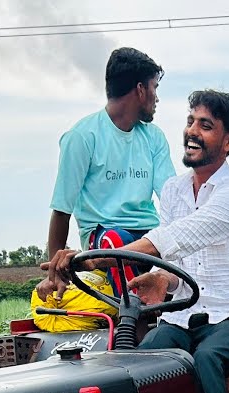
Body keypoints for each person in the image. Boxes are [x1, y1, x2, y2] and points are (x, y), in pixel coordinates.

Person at [41, 90, 229, 393]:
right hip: (182, 313)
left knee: (207, 360)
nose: (191, 132)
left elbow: (181, 237)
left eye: (205, 125)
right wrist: (157, 278)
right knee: (141, 361)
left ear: (228, 142)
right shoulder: (176, 191)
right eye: (191, 121)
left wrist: (106, 255)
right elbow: (175, 253)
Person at [37, 47, 175, 302]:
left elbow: (171, 198)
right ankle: (136, 321)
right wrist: (54, 272)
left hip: (147, 231)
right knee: (117, 242)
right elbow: (61, 210)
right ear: (140, 89)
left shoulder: (154, 137)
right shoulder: (82, 137)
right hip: (103, 234)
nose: (157, 98)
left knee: (174, 241)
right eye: (154, 87)